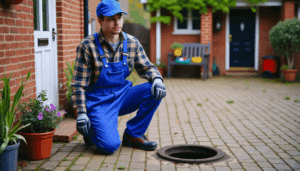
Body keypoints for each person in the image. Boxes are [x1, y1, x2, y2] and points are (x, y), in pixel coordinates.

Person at [71, 0, 167, 155]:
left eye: (119, 17)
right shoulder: (87, 46)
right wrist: (81, 113)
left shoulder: (132, 43)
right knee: (109, 146)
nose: (117, 23)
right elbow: (79, 85)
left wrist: (157, 79)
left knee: (153, 90)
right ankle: (90, 130)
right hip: (98, 102)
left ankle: (133, 135)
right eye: (111, 19)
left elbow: (147, 68)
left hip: (122, 96)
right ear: (100, 21)